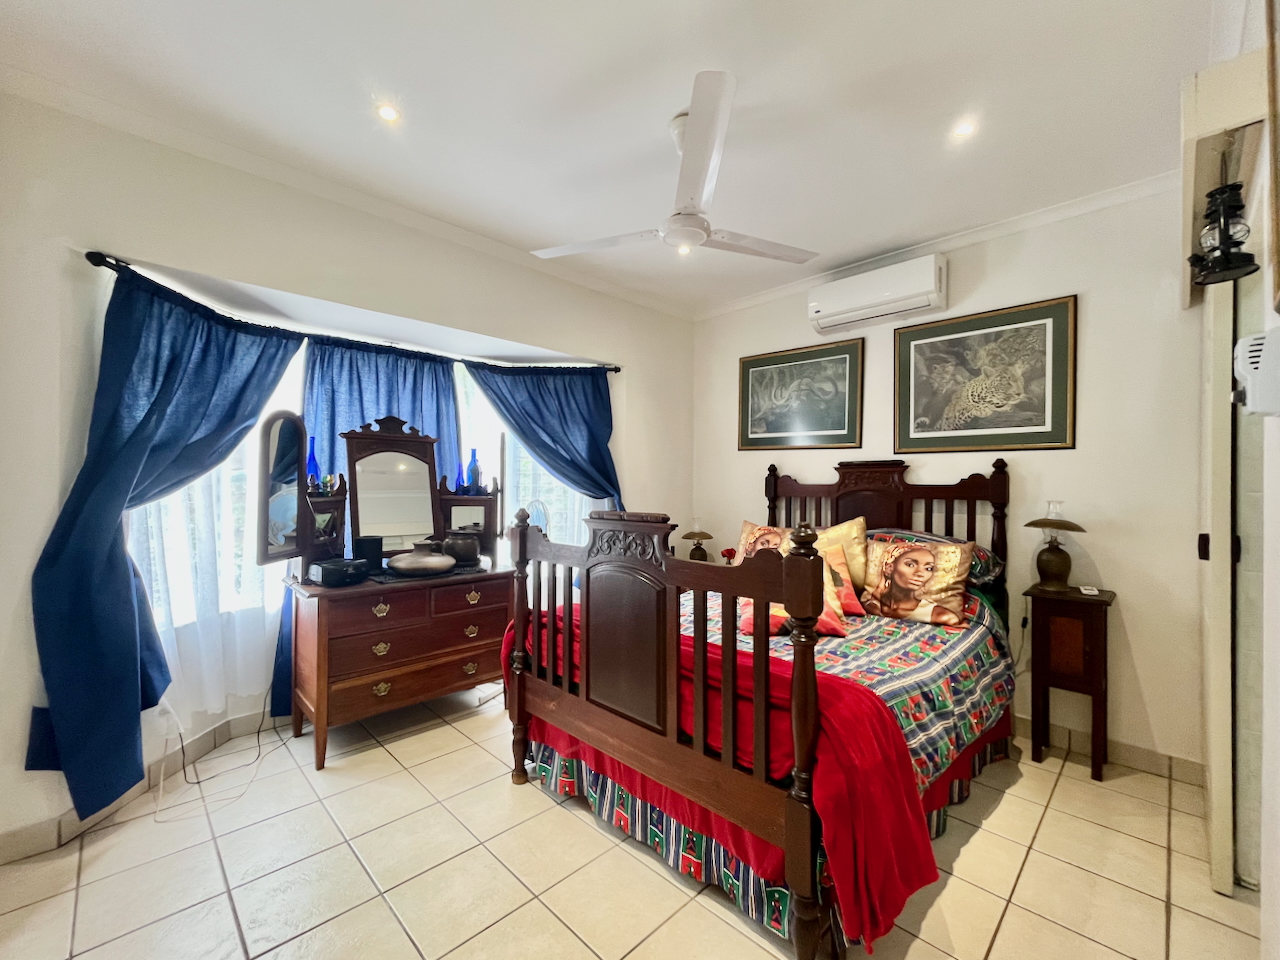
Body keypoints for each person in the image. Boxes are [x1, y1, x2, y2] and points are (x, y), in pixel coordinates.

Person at [861, 543, 960, 625]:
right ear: (889, 568)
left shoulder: (942, 616)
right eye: (910, 564)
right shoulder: (869, 605)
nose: (920, 573)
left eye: (928, 568)